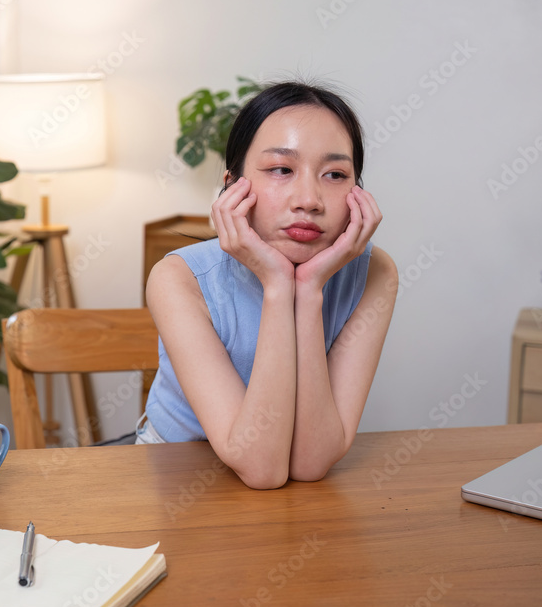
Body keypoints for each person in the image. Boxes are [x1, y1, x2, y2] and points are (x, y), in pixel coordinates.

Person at [137, 81, 398, 490]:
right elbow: (261, 469)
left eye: (335, 174)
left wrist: (308, 289)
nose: (309, 199)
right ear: (231, 187)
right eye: (281, 169)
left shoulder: (376, 274)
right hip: (179, 476)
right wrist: (278, 285)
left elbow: (311, 464)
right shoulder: (177, 278)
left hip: (294, 492)